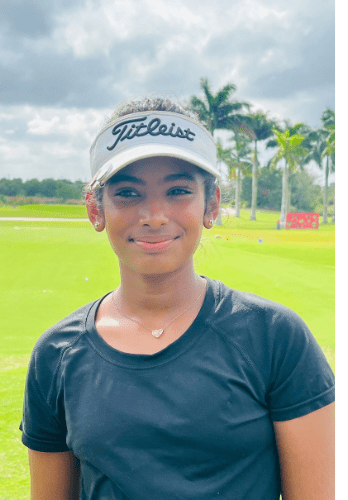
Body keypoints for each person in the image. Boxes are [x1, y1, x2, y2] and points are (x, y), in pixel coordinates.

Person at [20, 97, 335, 500]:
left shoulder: (274, 338)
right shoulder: (57, 354)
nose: (154, 215)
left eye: (179, 190)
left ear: (212, 203)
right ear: (95, 210)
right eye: (128, 193)